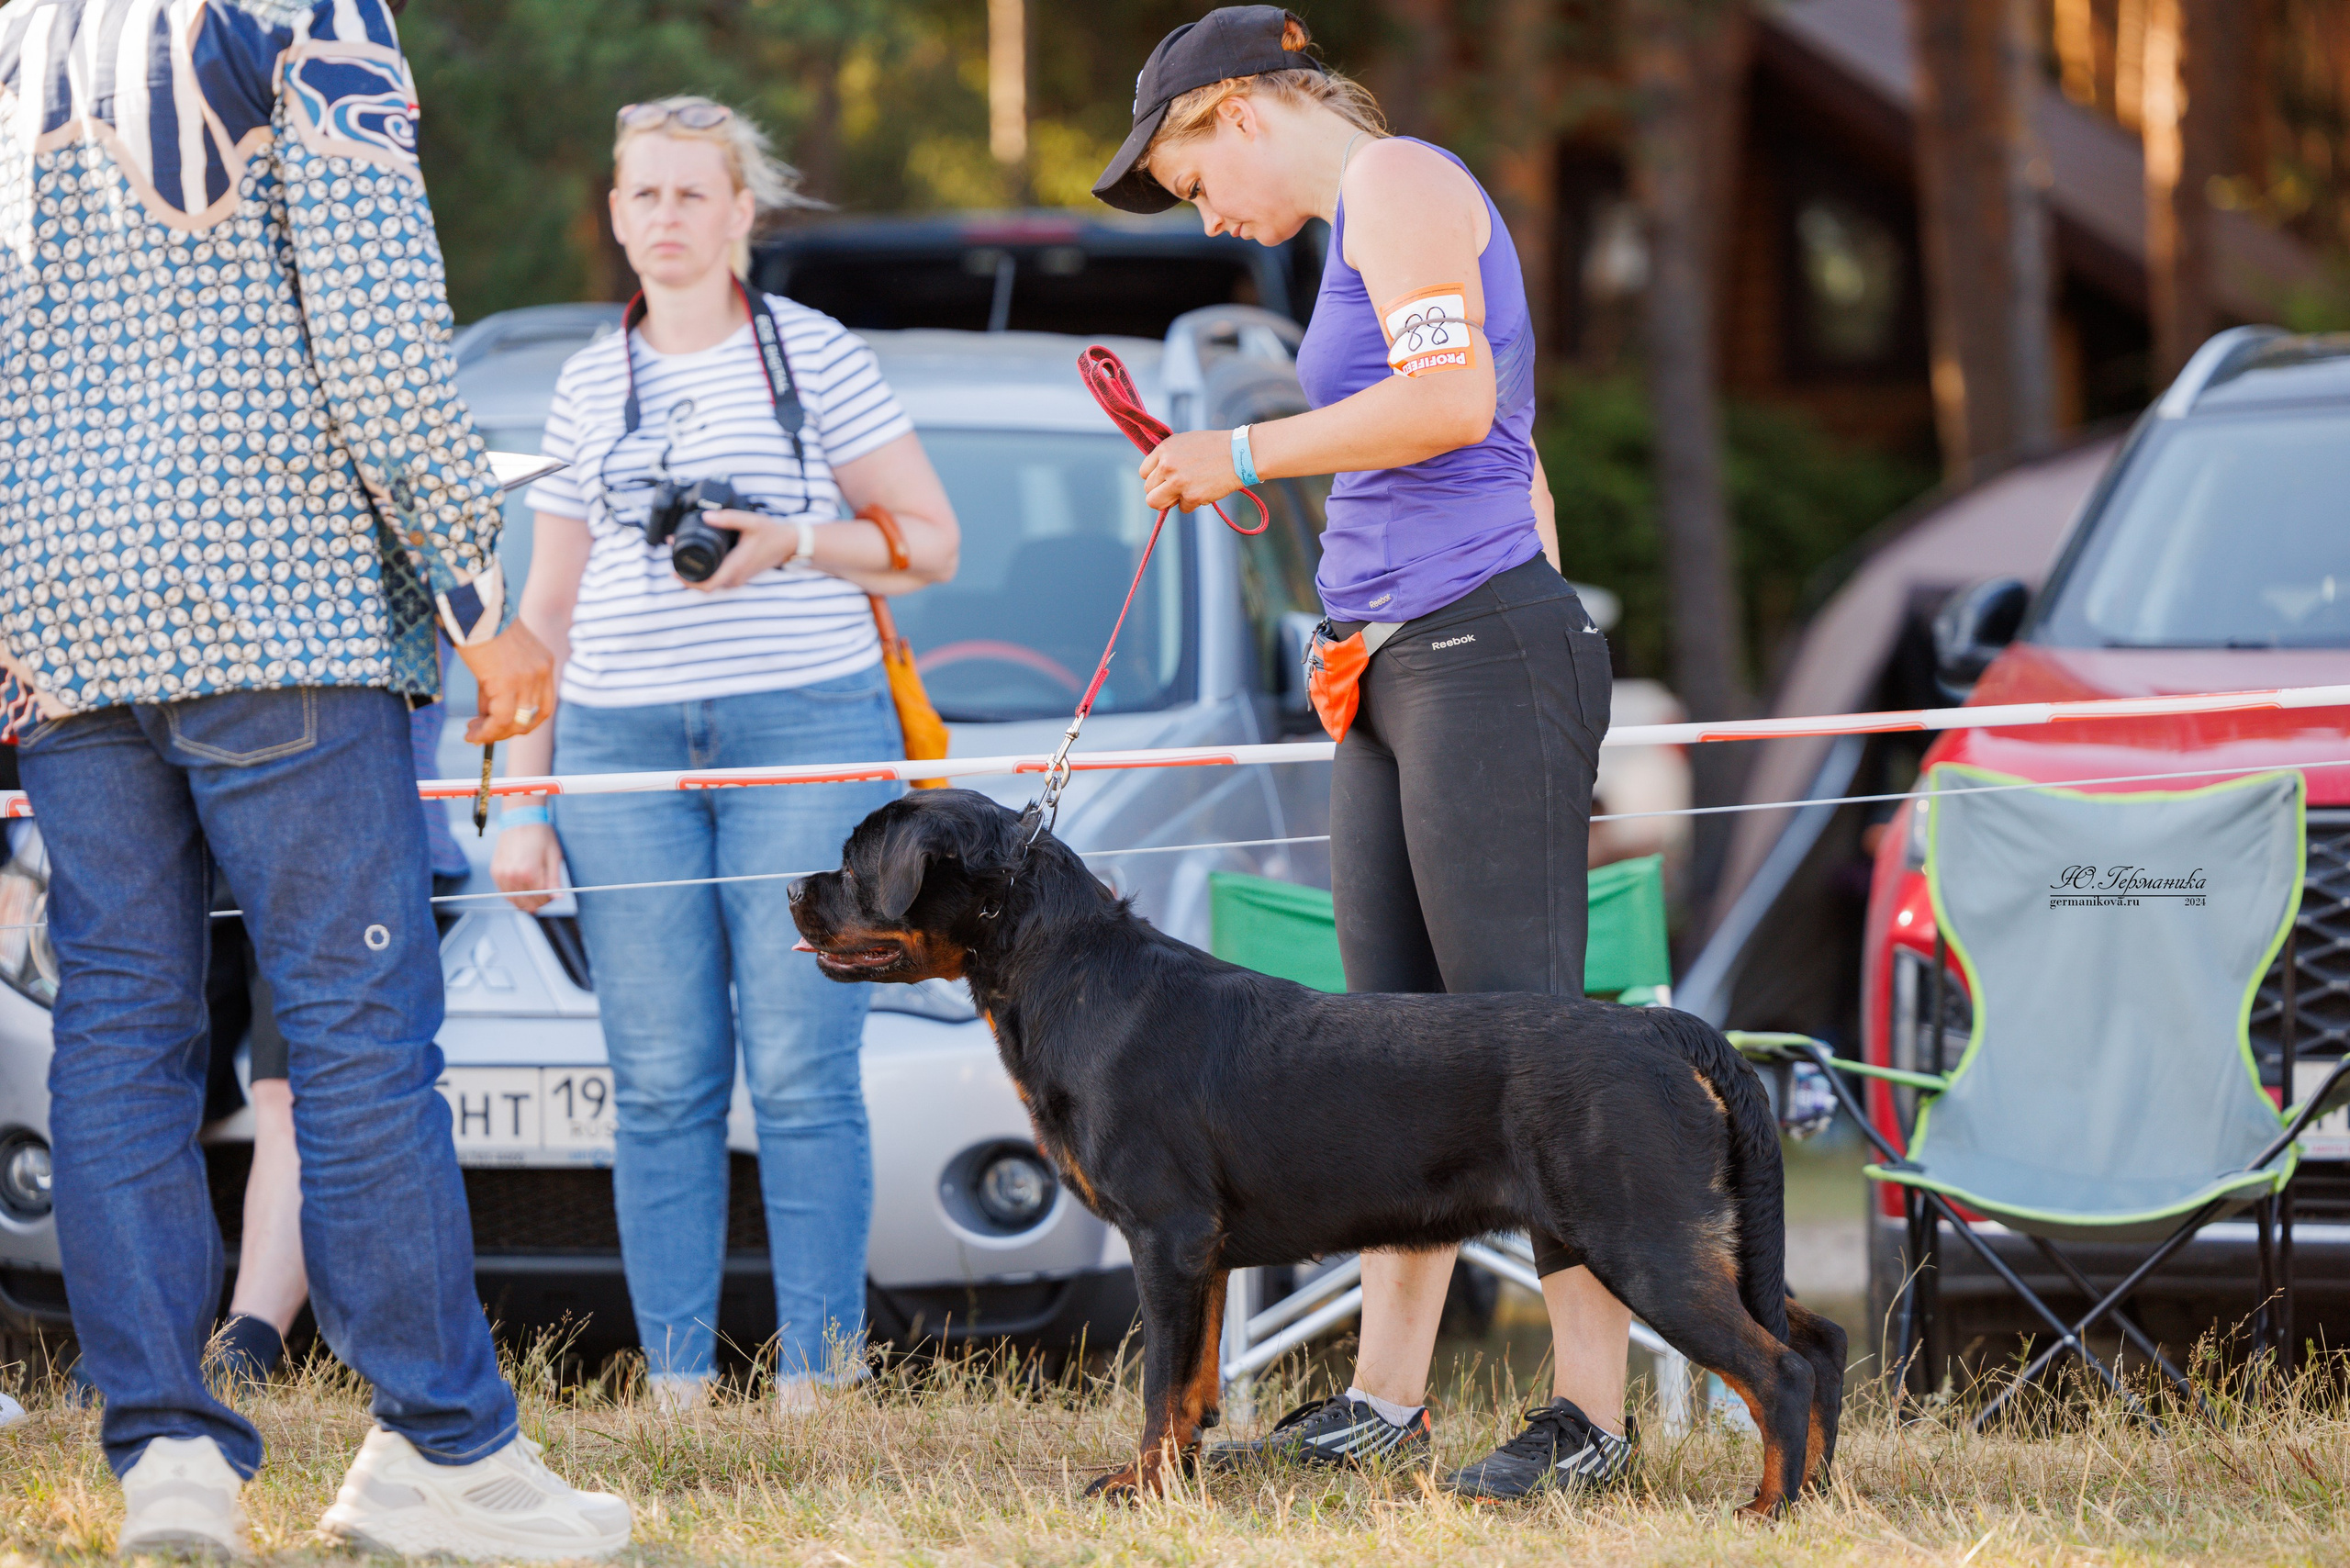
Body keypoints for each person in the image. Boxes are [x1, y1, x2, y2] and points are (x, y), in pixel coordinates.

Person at [0, 0, 632, 1557]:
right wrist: (484, 607)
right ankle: (443, 1451)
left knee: (121, 1030)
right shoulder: (305, 11)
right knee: (355, 1036)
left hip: (66, 608)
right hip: (278, 593)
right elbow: (373, 327)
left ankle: (167, 1459)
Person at [1092, 6, 1634, 1501]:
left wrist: (1242, 452)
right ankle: (1385, 1399)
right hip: (1405, 662)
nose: (1206, 212)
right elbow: (1503, 452)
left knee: (1528, 1045)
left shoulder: (1399, 185)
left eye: (1192, 176)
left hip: (1476, 653)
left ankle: (1593, 1416)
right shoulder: (1354, 232)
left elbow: (1452, 402)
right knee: (1397, 1047)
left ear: (1242, 110)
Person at [491, 97, 958, 1412]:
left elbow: (930, 541)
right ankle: (680, 1384)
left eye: (694, 195)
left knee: (806, 1072)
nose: (668, 220)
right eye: (643, 195)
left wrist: (792, 538)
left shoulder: (814, 359)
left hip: (805, 730)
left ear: (744, 212)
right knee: (658, 1083)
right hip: (620, 750)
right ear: (616, 215)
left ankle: (821, 1382)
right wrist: (520, 806)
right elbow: (548, 613)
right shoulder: (589, 380)